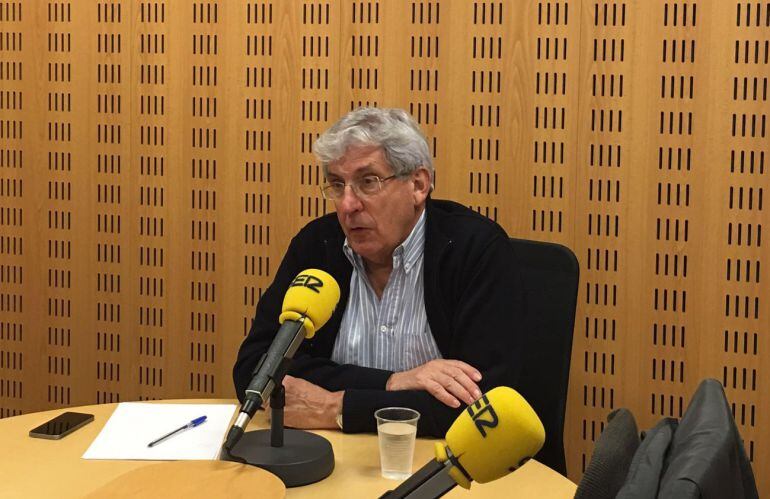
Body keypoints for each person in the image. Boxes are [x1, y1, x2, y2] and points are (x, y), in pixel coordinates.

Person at [233, 107, 524, 437]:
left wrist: (336, 408)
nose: (347, 204)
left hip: (445, 468)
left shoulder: (475, 251)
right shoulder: (318, 246)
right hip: (335, 459)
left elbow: (483, 407)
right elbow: (256, 372)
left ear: (418, 184)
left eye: (367, 182)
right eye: (337, 185)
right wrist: (394, 382)